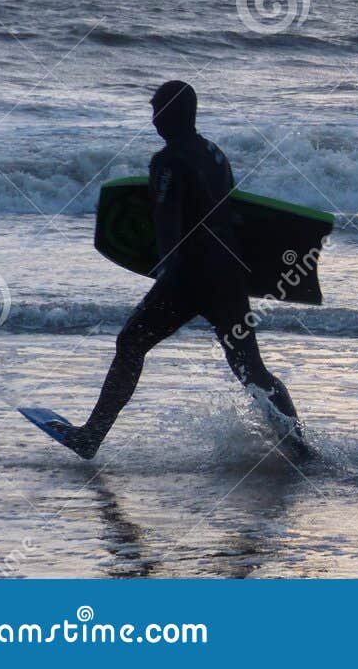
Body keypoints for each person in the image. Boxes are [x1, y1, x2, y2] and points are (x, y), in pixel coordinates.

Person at [43, 81, 308, 460]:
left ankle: (91, 437)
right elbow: (233, 210)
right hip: (230, 272)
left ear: (171, 114)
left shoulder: (167, 162)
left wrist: (166, 269)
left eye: (156, 112)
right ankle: (300, 449)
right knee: (251, 367)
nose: (152, 121)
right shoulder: (215, 154)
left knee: (131, 343)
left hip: (191, 274)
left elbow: (169, 219)